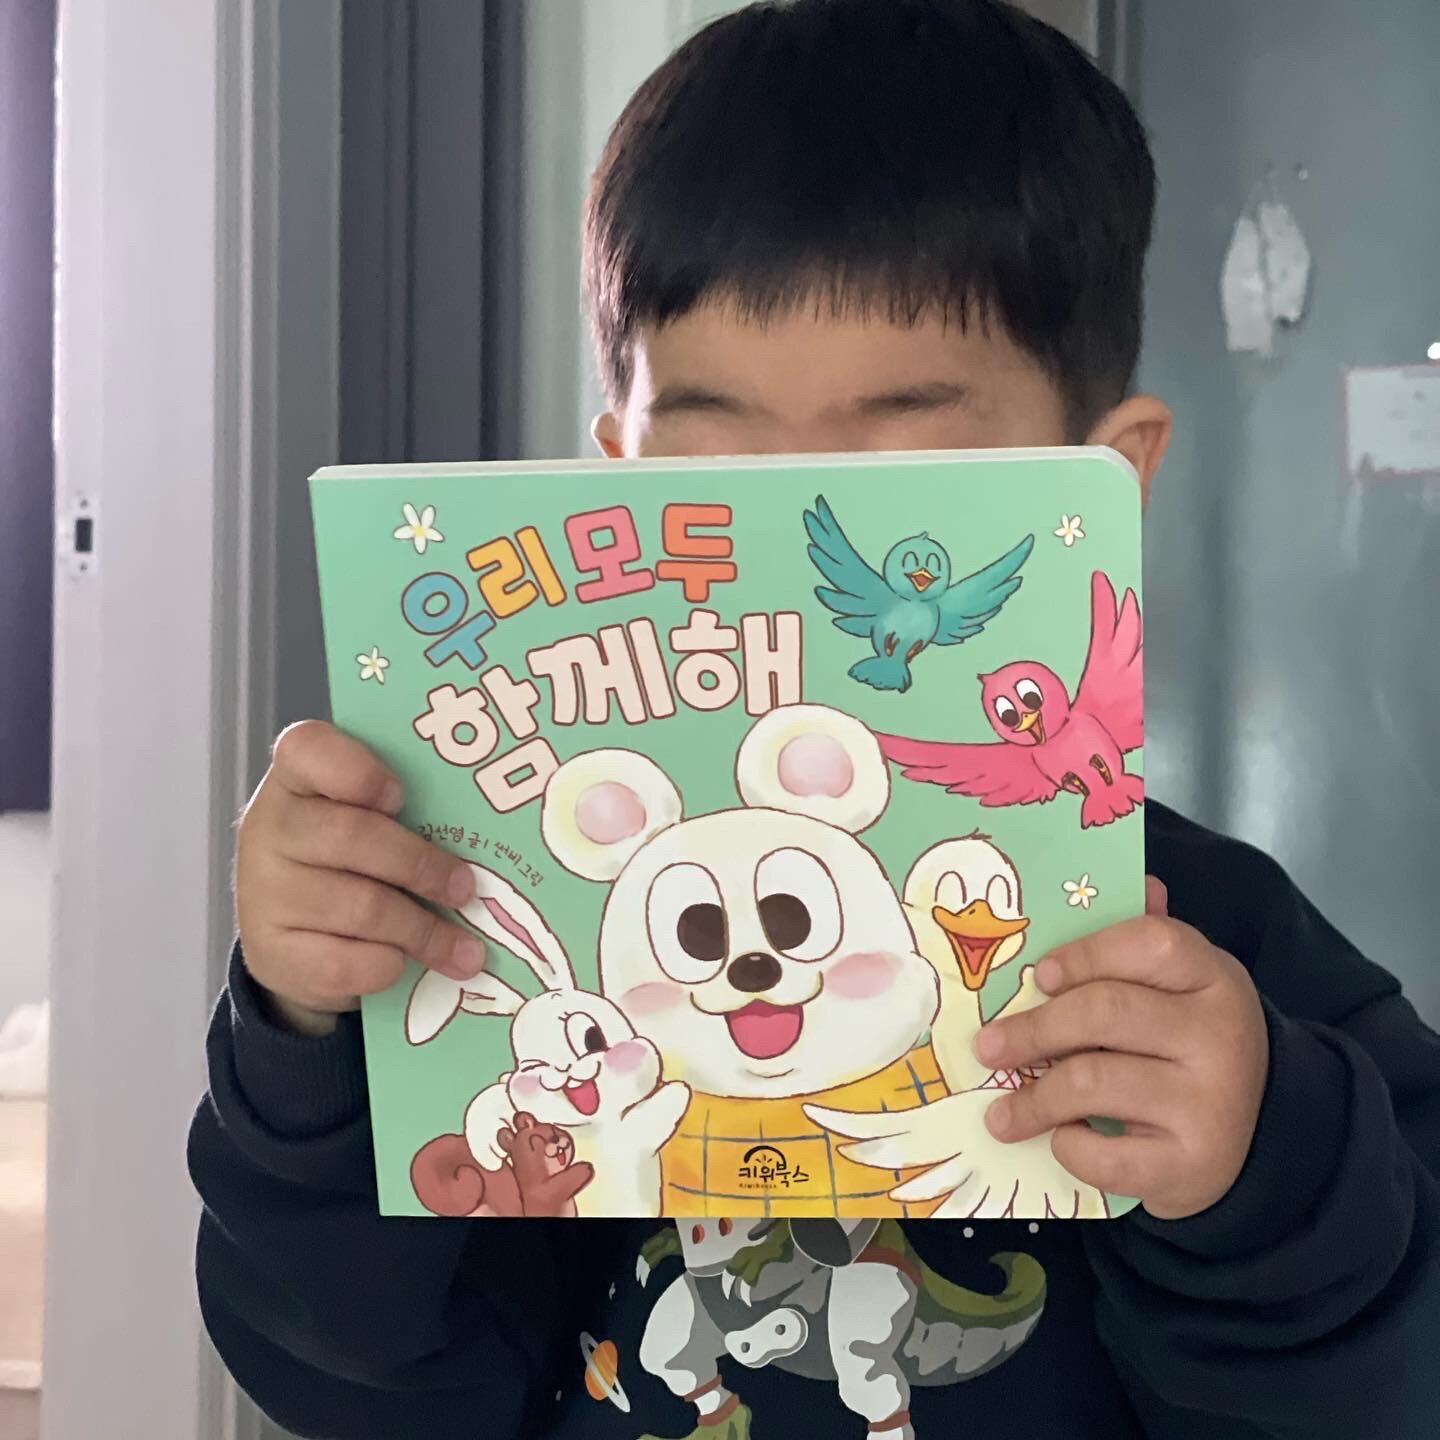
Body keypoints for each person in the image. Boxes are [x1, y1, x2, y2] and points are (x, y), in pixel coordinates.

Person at [188, 3, 1440, 1437]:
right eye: (710, 473)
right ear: (616, 473)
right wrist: (310, 1039)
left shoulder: (1213, 951)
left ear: (1106, 484)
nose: (794, 556)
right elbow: (365, 1387)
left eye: (910, 485)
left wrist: (1263, 1175)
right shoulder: (518, 951)